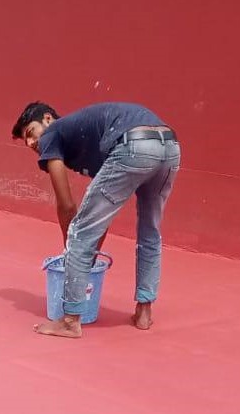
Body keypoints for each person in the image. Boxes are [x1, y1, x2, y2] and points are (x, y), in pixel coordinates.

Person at [12, 101, 181, 339]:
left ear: (47, 119)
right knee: (149, 231)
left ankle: (70, 321)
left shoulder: (51, 134)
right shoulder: (87, 139)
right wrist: (85, 259)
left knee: (78, 231)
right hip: (169, 146)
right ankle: (144, 312)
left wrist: (71, 253)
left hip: (133, 144)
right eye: (25, 141)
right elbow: (102, 214)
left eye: (30, 132)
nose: (31, 142)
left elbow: (67, 206)